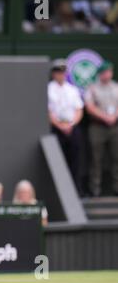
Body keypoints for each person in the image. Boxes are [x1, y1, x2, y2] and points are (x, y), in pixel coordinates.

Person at [47, 59, 84, 192]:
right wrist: (60, 125)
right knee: (58, 160)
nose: (60, 75)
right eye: (58, 72)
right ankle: (60, 190)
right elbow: (48, 111)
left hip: (72, 127)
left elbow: (79, 109)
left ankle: (76, 190)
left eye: (63, 72)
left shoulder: (72, 90)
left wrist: (71, 124)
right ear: (53, 74)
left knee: (75, 160)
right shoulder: (48, 89)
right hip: (56, 129)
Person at [85, 61, 118, 196]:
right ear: (100, 74)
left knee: (117, 157)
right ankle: (95, 188)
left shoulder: (116, 87)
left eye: (110, 72)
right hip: (98, 126)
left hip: (115, 127)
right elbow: (90, 107)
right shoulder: (92, 88)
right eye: (105, 72)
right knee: (96, 158)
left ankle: (116, 187)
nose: (108, 74)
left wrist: (114, 117)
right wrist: (105, 117)